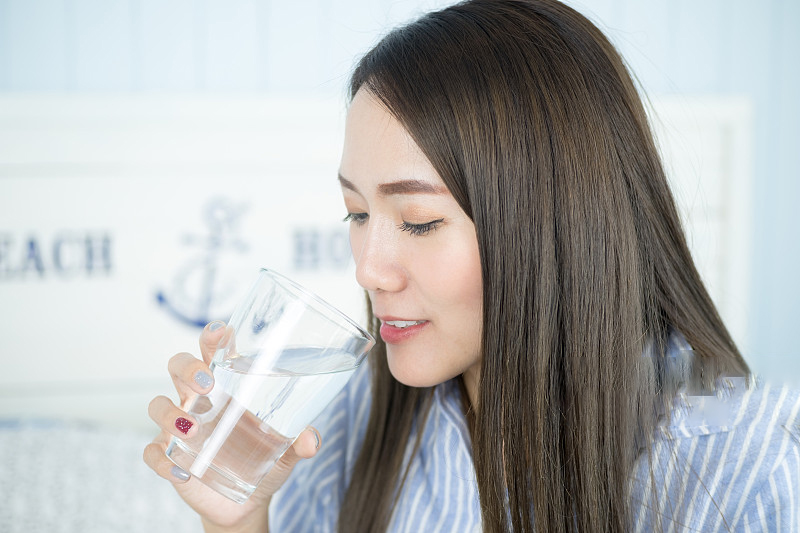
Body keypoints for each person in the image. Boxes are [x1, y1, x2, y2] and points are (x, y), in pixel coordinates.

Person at [144, 0, 800, 531]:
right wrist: (238, 519)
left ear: (551, 222)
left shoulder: (745, 464)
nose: (369, 272)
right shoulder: (359, 415)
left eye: (420, 221)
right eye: (356, 213)